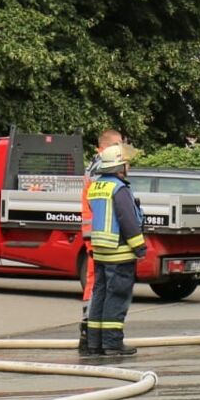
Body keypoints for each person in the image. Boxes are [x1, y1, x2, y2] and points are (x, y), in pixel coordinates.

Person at [82, 143, 144, 359]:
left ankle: (94, 343)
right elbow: (127, 219)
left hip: (100, 251)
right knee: (117, 297)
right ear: (120, 166)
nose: (128, 166)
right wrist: (139, 246)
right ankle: (112, 343)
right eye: (126, 163)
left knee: (100, 295)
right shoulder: (119, 188)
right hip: (119, 252)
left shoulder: (97, 187)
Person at [77, 130, 125, 352]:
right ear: (102, 147)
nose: (120, 149)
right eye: (116, 144)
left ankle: (90, 333)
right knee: (101, 286)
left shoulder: (94, 167)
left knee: (96, 284)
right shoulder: (100, 167)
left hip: (96, 234)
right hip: (101, 236)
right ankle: (95, 335)